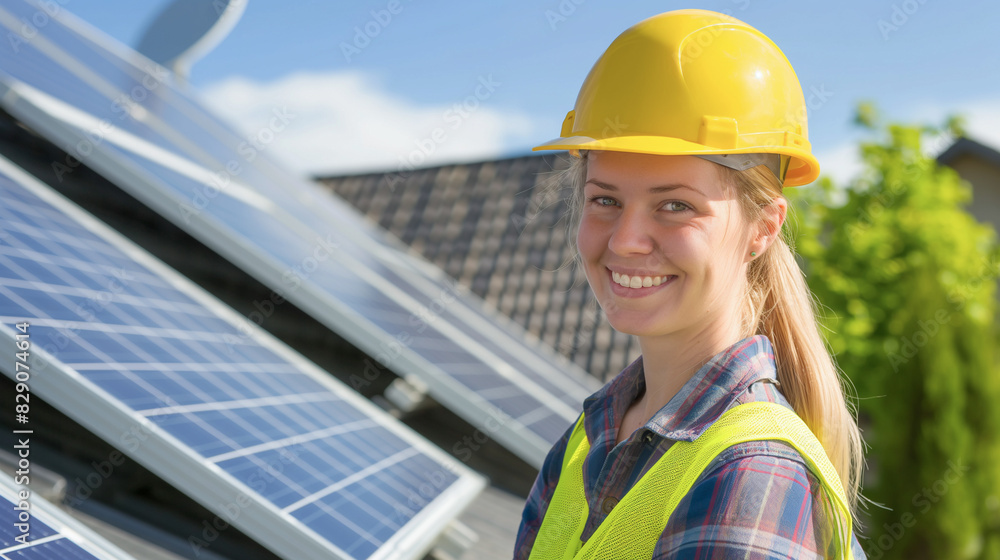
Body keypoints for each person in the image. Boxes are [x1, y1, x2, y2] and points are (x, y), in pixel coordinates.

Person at [514, 9, 866, 559]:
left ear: (763, 228)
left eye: (675, 206)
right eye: (605, 200)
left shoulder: (751, 472)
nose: (627, 239)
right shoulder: (588, 439)